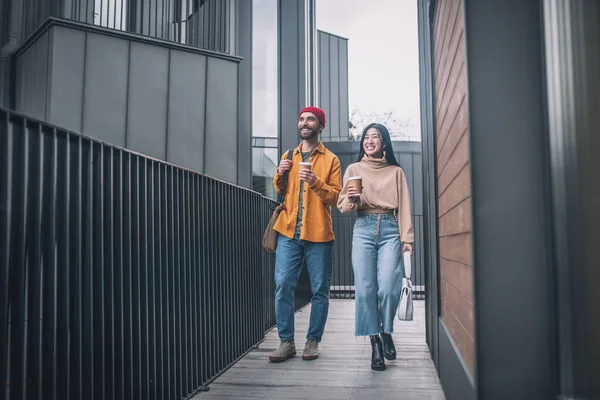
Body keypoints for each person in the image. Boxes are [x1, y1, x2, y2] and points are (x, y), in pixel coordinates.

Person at [337, 122, 414, 371]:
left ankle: (386, 330)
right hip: (363, 228)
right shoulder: (353, 169)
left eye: (375, 137)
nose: (370, 140)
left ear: (384, 143)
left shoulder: (395, 172)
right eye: (366, 137)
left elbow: (404, 207)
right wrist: (351, 199)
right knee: (365, 288)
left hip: (391, 228)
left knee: (389, 288)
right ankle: (375, 342)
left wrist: (408, 239)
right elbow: (343, 207)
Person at [268, 106, 342, 362]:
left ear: (320, 125)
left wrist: (314, 181)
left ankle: (313, 340)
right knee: (283, 285)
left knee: (320, 289)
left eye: (310, 119)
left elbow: (336, 197)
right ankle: (286, 342)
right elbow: (280, 188)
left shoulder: (331, 160)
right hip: (289, 230)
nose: (304, 123)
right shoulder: (290, 155)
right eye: (301, 119)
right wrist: (279, 172)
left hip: (319, 233)